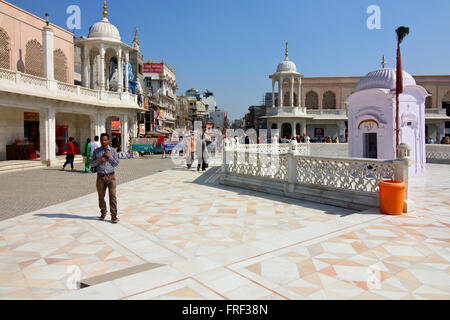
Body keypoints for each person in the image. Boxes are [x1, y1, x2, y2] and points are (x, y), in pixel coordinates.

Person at [90, 133, 120, 224]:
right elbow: (91, 164)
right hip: (100, 177)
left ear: (108, 141)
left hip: (111, 177)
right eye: (102, 140)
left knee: (113, 196)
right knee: (101, 196)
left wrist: (109, 157)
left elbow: (116, 163)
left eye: (105, 140)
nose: (103, 142)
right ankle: (103, 211)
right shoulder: (96, 151)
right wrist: (99, 160)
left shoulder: (113, 151)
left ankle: (114, 215)